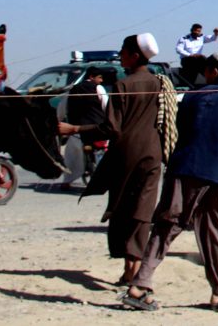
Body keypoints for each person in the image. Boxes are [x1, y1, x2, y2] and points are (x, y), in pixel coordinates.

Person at [121, 46, 218, 312]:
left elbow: (181, 130)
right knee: (217, 232)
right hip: (216, 176)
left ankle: (140, 285)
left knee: (166, 227)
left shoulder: (190, 98)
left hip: (183, 171)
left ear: (213, 72)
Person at [60, 33, 164, 286]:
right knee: (142, 210)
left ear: (134, 55)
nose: (120, 54)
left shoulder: (122, 86)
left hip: (126, 154)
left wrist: (74, 129)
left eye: (123, 50)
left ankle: (130, 268)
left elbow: (111, 129)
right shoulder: (159, 83)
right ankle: (135, 266)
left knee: (122, 210)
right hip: (152, 155)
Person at [59, 67, 110, 190]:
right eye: (99, 78)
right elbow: (107, 107)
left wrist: (60, 120)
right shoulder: (98, 88)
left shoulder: (72, 89)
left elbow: (61, 109)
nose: (101, 81)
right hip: (96, 131)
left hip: (76, 132)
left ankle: (67, 181)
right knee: (105, 152)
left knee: (71, 156)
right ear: (91, 77)